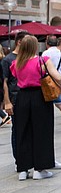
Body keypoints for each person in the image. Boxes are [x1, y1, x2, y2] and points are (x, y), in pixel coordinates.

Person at [11, 35, 61, 180]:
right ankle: (40, 168)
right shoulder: (42, 60)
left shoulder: (16, 63)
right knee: (42, 131)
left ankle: (23, 169)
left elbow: (14, 77)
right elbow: (56, 76)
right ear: (35, 47)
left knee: (23, 132)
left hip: (22, 98)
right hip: (40, 97)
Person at [2, 31, 29, 163]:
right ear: (19, 42)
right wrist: (7, 102)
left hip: (28, 97)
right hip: (15, 98)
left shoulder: (28, 57)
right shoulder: (8, 60)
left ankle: (27, 157)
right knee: (17, 129)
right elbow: (4, 82)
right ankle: (18, 158)